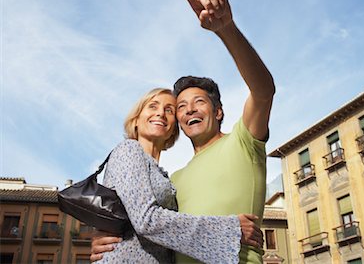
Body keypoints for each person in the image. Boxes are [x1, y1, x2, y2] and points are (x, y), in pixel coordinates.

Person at [91, 0, 275, 264]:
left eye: (199, 102)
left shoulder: (243, 142)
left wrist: (226, 29)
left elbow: (263, 91)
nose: (188, 109)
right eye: (181, 106)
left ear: (218, 111)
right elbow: (154, 224)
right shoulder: (172, 181)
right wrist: (111, 243)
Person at [94, 88, 262, 263]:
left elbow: (168, 234)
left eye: (169, 110)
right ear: (135, 120)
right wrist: (229, 229)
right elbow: (145, 220)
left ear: (173, 129)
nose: (160, 113)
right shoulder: (129, 149)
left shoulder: (166, 177)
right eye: (153, 106)